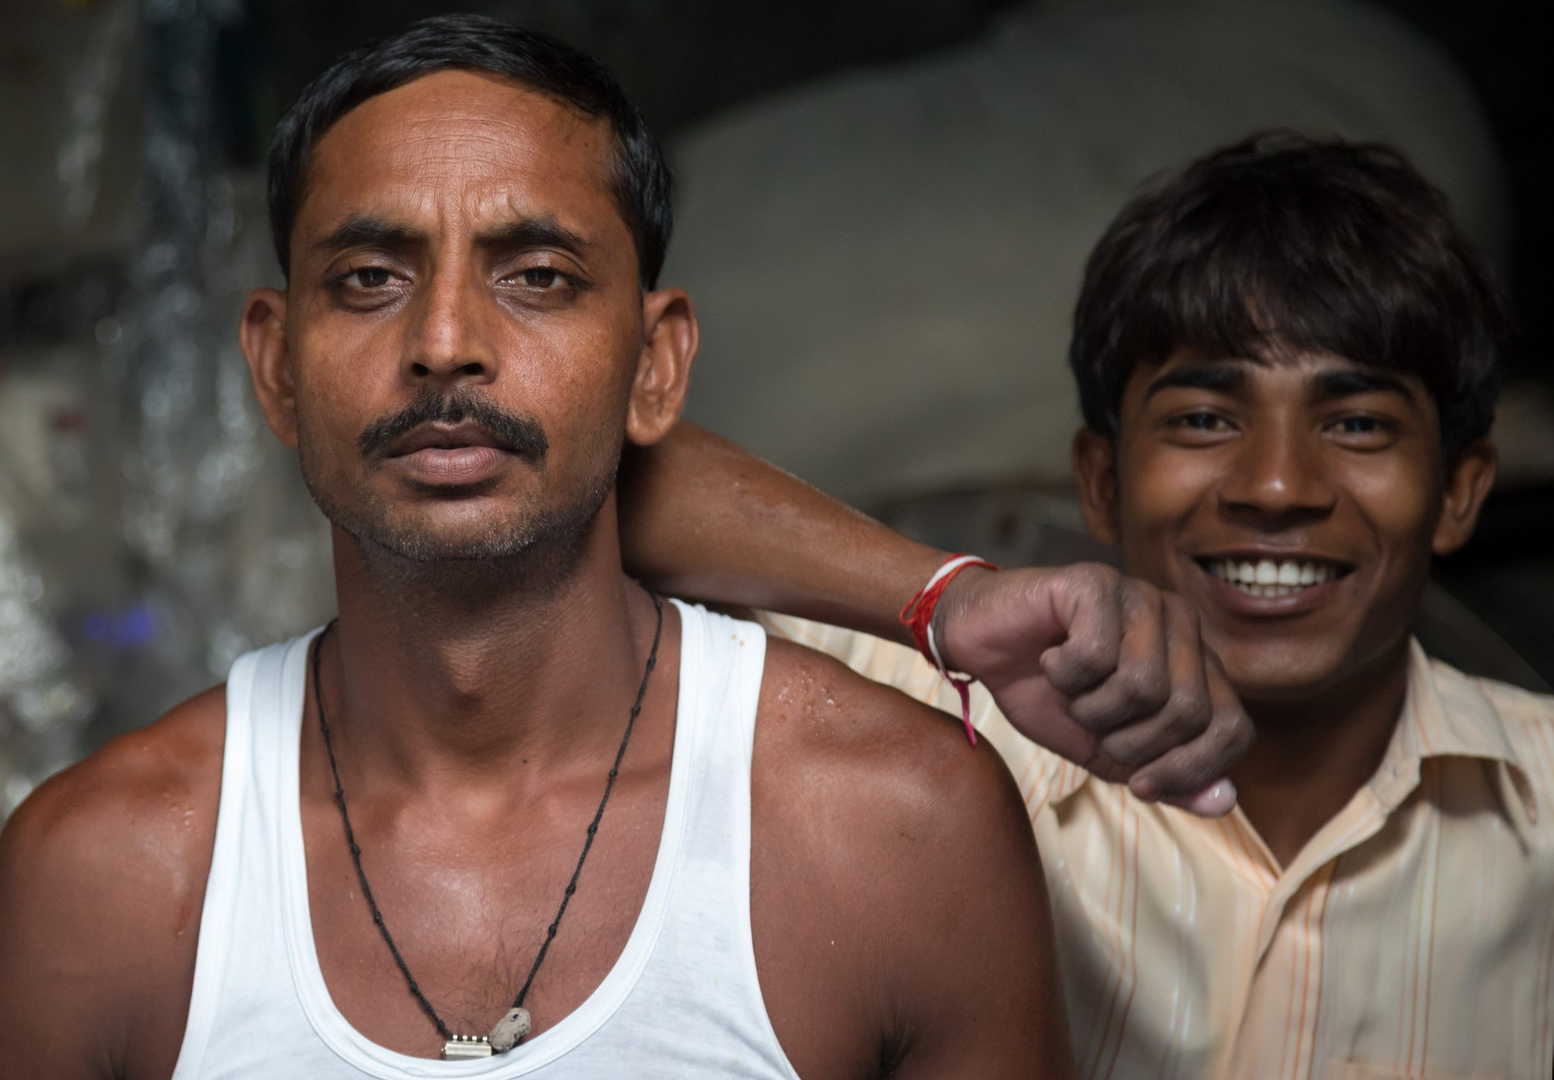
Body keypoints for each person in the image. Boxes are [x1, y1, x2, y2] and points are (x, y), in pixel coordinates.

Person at [0, 15, 1261, 1079]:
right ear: (275, 365)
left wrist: (943, 600)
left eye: (536, 275)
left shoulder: (889, 829)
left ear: (657, 364)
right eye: (370, 278)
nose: (446, 341)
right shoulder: (108, 875)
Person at [618, 134, 1554, 1079]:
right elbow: (574, 480)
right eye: (1203, 419)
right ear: (1101, 482)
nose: (1276, 486)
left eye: (1357, 424)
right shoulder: (921, 710)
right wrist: (944, 598)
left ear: (1461, 491)